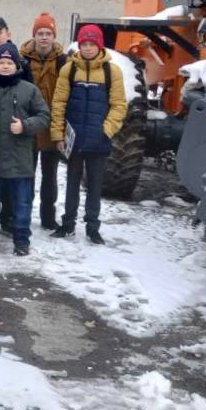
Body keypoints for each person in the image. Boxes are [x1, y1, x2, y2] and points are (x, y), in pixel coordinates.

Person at [50, 24, 127, 245]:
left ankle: (93, 227)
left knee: (94, 186)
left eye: (92, 44)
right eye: (84, 44)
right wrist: (58, 134)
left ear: (99, 45)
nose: (88, 48)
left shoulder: (111, 72)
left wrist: (107, 130)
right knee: (71, 183)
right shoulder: (69, 69)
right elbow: (59, 103)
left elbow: (119, 105)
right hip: (74, 139)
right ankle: (67, 224)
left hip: (98, 139)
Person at [0, 43, 51, 255]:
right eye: (1, 62)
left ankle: (21, 241)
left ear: (17, 65)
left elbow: (44, 117)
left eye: (10, 62)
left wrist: (25, 126)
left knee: (21, 206)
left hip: (21, 162)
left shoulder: (29, 90)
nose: (6, 66)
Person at [20, 12, 68, 231]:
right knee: (26, 174)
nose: (44, 37)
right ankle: (23, 215)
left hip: (51, 127)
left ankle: (48, 217)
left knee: (50, 175)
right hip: (28, 126)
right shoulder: (22, 59)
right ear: (34, 35)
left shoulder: (63, 61)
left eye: (48, 33)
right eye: (40, 33)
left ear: (54, 36)